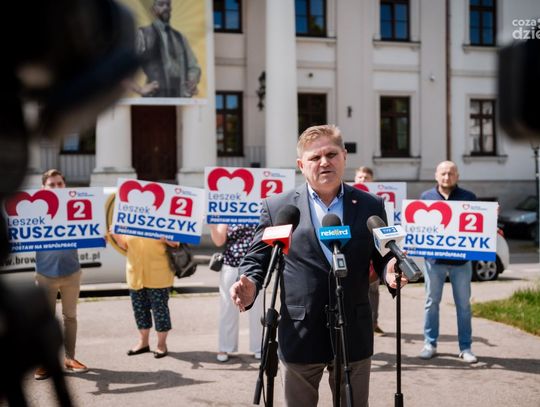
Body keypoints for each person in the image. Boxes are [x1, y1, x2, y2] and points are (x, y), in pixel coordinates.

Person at [231, 125, 404, 407]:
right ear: (301, 165)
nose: (324, 162)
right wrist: (249, 281)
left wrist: (390, 269)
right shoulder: (279, 207)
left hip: (354, 330)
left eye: (331, 154)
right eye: (315, 157)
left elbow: (382, 255)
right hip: (300, 331)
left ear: (344, 156)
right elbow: (257, 257)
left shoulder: (370, 205)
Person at [418, 161, 479, 363]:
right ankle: (430, 344)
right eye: (443, 173)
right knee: (431, 303)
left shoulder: (469, 197)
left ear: (457, 176)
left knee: (463, 306)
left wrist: (490, 217)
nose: (447, 177)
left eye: (451, 173)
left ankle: (466, 347)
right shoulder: (426, 197)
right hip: (433, 261)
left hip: (461, 262)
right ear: (436, 175)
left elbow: (479, 225)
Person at [34, 169, 89, 380]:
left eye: (59, 183)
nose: (56, 187)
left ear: (65, 186)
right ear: (43, 188)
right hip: (45, 274)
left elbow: (89, 230)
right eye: (52, 184)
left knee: (70, 317)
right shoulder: (36, 211)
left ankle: (69, 358)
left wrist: (101, 234)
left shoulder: (75, 207)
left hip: (71, 272)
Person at [109, 233, 177, 358]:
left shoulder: (163, 222)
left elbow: (176, 243)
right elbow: (125, 245)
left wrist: (166, 239)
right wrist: (116, 234)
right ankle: (143, 343)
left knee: (160, 310)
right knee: (140, 310)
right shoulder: (129, 224)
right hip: (135, 275)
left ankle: (161, 344)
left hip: (158, 274)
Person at [209, 224, 263, 362]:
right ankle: (225, 346)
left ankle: (259, 347)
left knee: (257, 309)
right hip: (231, 264)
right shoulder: (229, 213)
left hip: (255, 267)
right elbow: (219, 241)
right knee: (227, 307)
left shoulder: (260, 212)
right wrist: (213, 226)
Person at [135, 0, 201, 97]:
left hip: (179, 99)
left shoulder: (180, 37)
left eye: (168, 4)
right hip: (155, 98)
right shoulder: (143, 34)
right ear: (153, 10)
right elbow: (123, 67)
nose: (165, 7)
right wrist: (140, 89)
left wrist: (192, 80)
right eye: (161, 4)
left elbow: (193, 66)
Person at [354, 166, 385, 336]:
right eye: (360, 177)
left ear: (372, 180)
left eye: (366, 177)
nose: (363, 180)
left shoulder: (376, 201)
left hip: (373, 250)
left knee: (373, 289)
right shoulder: (349, 198)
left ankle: (373, 322)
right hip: (356, 249)